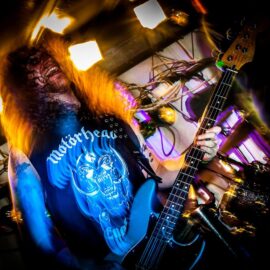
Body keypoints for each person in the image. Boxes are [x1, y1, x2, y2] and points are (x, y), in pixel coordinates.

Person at [0, 35, 221, 269]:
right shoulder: (25, 152)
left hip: (169, 246)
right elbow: (41, 240)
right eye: (33, 66)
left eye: (46, 58)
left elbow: (158, 173)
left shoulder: (112, 120)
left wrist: (196, 157)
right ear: (23, 89)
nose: (45, 63)